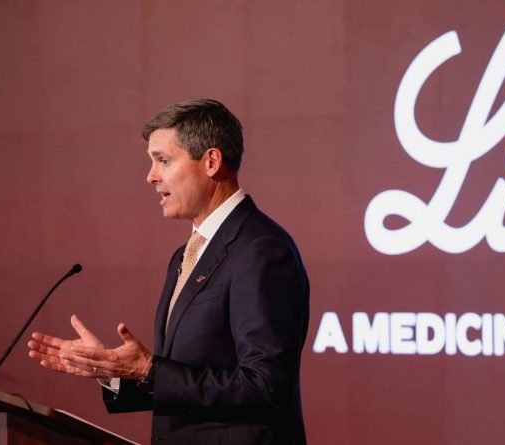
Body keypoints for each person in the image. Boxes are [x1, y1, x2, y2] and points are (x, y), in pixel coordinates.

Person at [27, 99, 310, 444]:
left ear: (211, 162)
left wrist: (148, 368)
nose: (151, 176)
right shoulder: (185, 255)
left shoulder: (261, 250)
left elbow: (264, 386)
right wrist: (112, 369)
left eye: (163, 160)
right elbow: (184, 384)